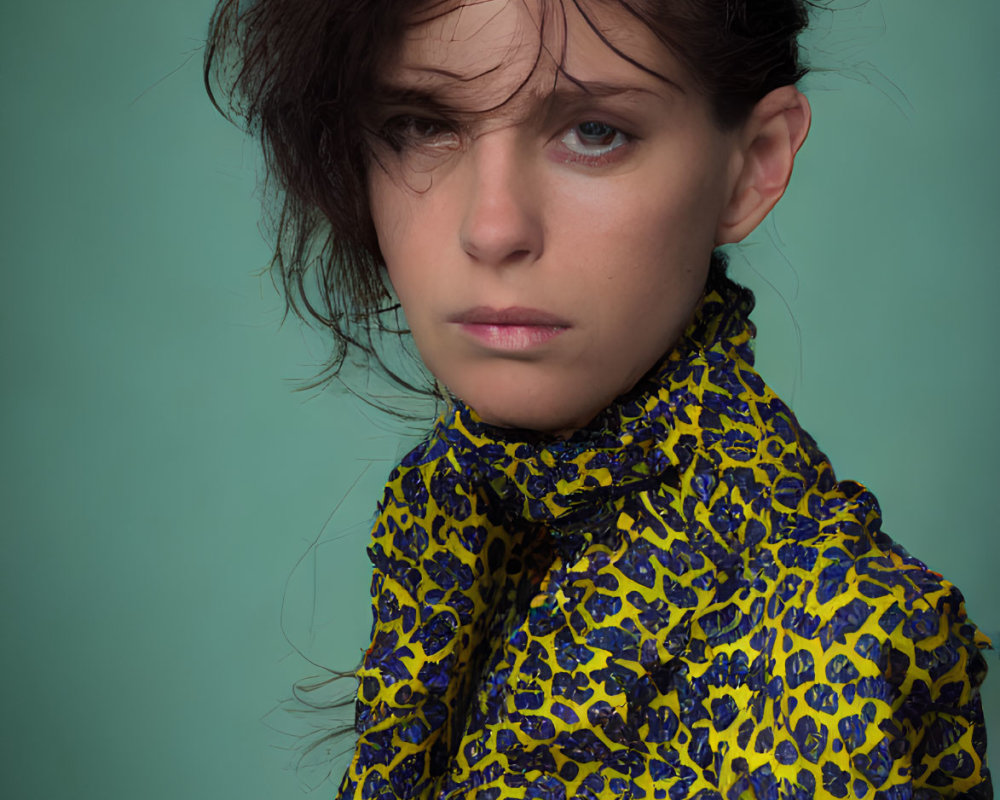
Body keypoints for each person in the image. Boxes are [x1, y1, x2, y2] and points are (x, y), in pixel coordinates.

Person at [205, 0, 992, 797]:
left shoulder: (821, 639)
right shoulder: (461, 527)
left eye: (593, 132)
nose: (493, 227)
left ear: (754, 162)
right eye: (420, 125)